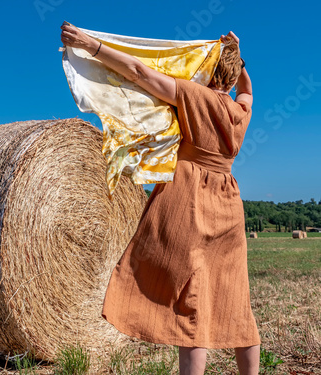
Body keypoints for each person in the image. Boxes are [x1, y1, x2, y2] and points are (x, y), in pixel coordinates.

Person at [60, 23, 261, 375]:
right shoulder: (240, 112)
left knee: (189, 302)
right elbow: (248, 91)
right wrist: (238, 56)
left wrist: (92, 47)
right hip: (228, 201)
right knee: (235, 298)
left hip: (190, 198)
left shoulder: (192, 95)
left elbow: (139, 72)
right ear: (230, 76)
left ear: (205, 67)